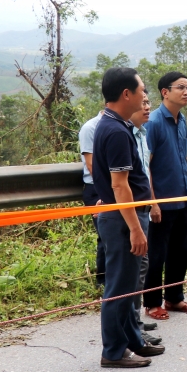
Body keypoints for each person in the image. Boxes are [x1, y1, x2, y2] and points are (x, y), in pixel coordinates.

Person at [91, 67, 164, 368]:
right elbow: (119, 185)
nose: (144, 96)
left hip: (125, 215)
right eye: (141, 90)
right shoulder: (116, 131)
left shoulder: (114, 125)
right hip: (123, 220)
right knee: (120, 287)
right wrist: (135, 228)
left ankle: (133, 340)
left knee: (131, 284)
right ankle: (113, 351)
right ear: (126, 94)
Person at [144, 72, 187, 320]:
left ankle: (175, 298)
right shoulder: (154, 122)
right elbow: (147, 166)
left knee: (181, 251)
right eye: (181, 87)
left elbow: (181, 159)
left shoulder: (182, 120)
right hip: (161, 203)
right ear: (165, 92)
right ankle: (153, 302)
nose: (186, 92)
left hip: (181, 199)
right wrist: (153, 202)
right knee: (157, 253)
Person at [127, 92, 161, 347]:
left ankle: (135, 324)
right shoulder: (118, 132)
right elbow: (119, 183)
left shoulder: (141, 133)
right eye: (143, 102)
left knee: (141, 268)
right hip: (128, 213)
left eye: (149, 103)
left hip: (142, 208)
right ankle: (130, 331)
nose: (147, 107)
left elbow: (144, 172)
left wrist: (151, 202)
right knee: (129, 273)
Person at [79, 109, 105, 287]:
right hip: (97, 188)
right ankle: (103, 280)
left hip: (117, 186)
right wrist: (108, 193)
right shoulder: (90, 128)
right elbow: (92, 166)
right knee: (106, 236)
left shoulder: (126, 125)